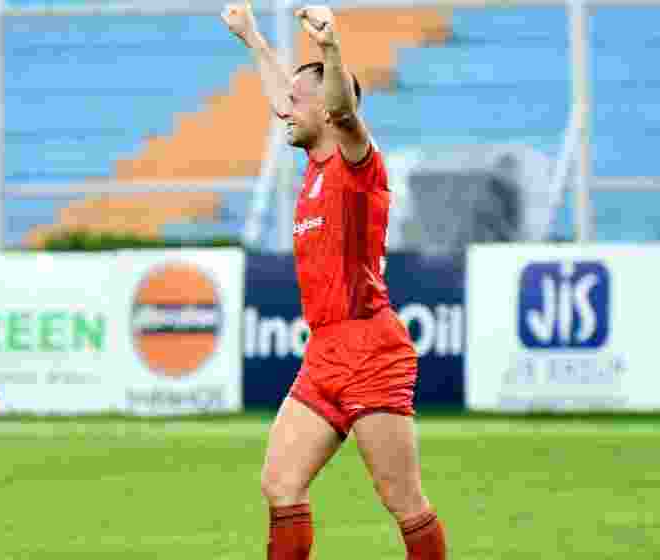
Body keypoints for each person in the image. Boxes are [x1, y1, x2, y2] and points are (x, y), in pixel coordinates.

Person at [221, 4, 447, 559]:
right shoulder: (315, 165)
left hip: (371, 349)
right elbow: (290, 100)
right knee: (279, 483)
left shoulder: (356, 162)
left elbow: (342, 113)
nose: (283, 113)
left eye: (298, 104)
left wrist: (331, 48)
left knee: (403, 501)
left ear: (326, 108)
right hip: (325, 351)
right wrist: (252, 37)